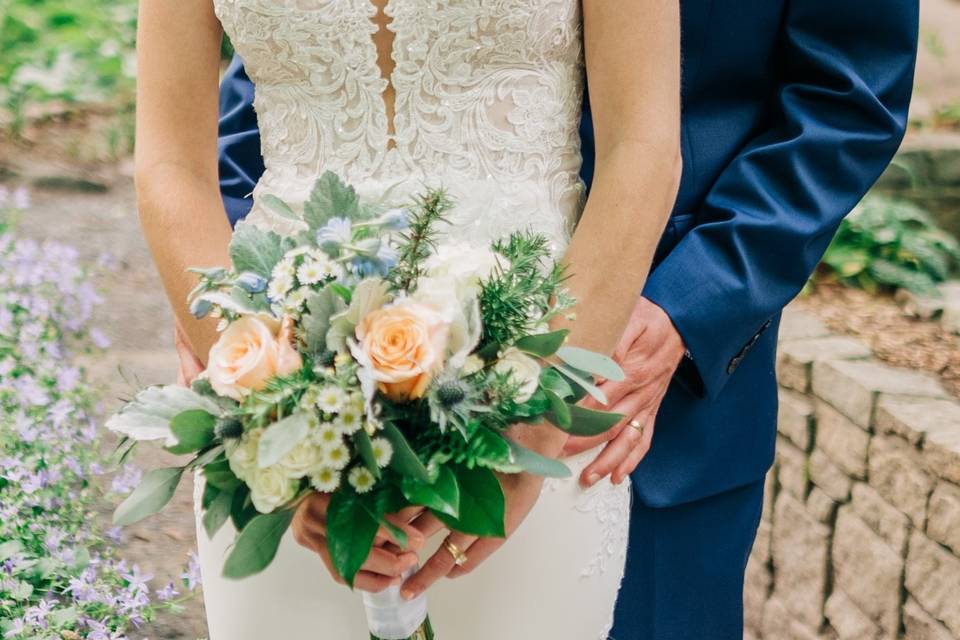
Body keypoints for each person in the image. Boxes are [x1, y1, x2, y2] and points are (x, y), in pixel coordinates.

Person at [165, 1, 921, 638]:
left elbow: (847, 92)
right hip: (312, 348)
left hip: (646, 392)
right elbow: (293, 73)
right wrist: (244, 307)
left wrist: (693, 302)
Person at [136, 1, 681, 638]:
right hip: (286, 380)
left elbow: (642, 148)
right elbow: (168, 165)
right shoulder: (278, 417)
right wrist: (274, 420)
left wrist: (536, 422)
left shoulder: (535, 418)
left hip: (530, 376)